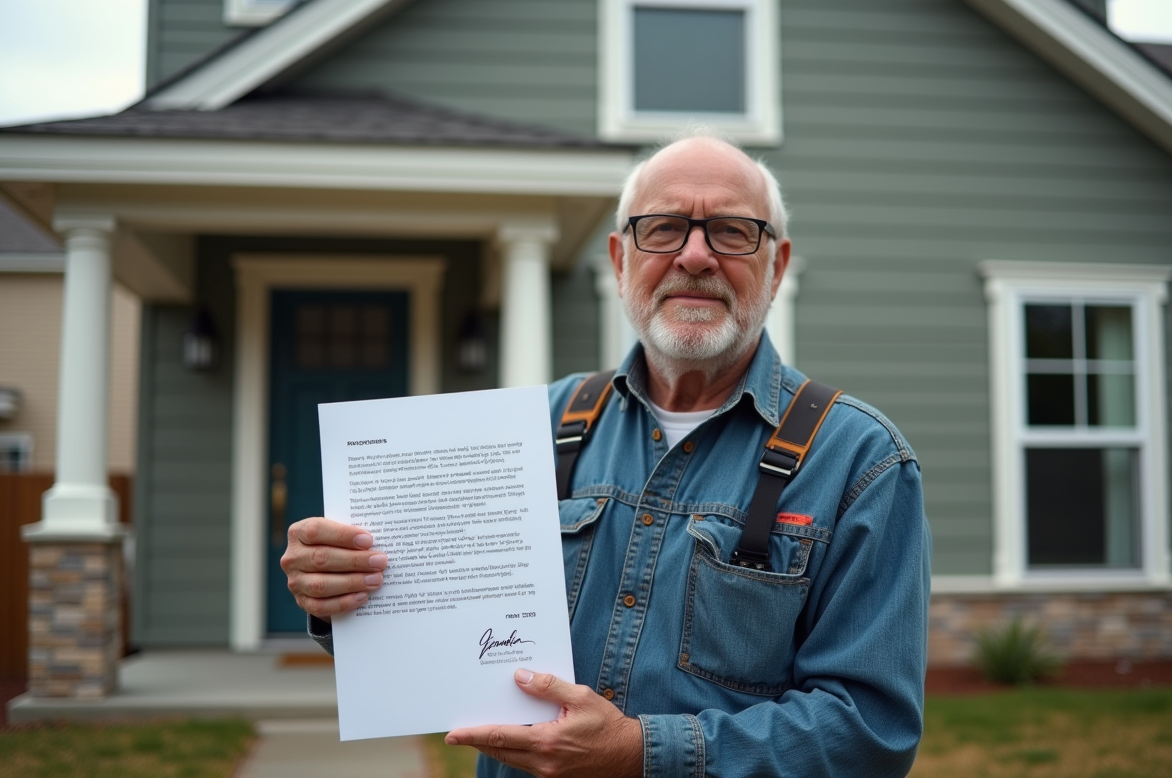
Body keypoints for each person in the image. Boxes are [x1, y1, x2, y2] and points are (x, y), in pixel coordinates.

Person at [281, 134, 931, 778]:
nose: (696, 255)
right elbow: (434, 651)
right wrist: (341, 595)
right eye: (664, 227)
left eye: (732, 231)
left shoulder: (860, 462)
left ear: (777, 265)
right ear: (620, 259)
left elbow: (868, 733)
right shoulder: (523, 430)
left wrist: (640, 753)